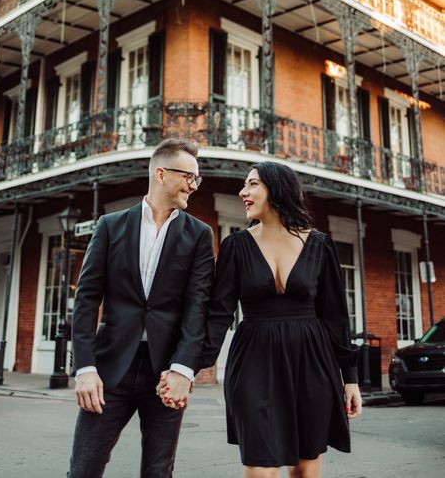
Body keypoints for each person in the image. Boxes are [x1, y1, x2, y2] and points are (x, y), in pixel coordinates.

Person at [195, 161, 361, 478]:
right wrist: (187, 367)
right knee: (261, 468)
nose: (243, 192)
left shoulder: (320, 244)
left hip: (312, 362)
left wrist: (349, 378)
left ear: (277, 189)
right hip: (254, 362)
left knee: (304, 468)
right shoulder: (235, 246)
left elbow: (336, 315)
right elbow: (218, 314)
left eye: (252, 184)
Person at [67, 138, 214, 478]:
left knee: (158, 472)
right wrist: (85, 368)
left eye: (197, 179)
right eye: (188, 176)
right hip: (108, 370)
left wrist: (184, 370)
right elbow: (87, 299)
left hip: (166, 374)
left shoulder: (200, 235)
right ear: (161, 174)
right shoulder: (110, 226)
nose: (193, 185)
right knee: (83, 469)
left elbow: (198, 306)